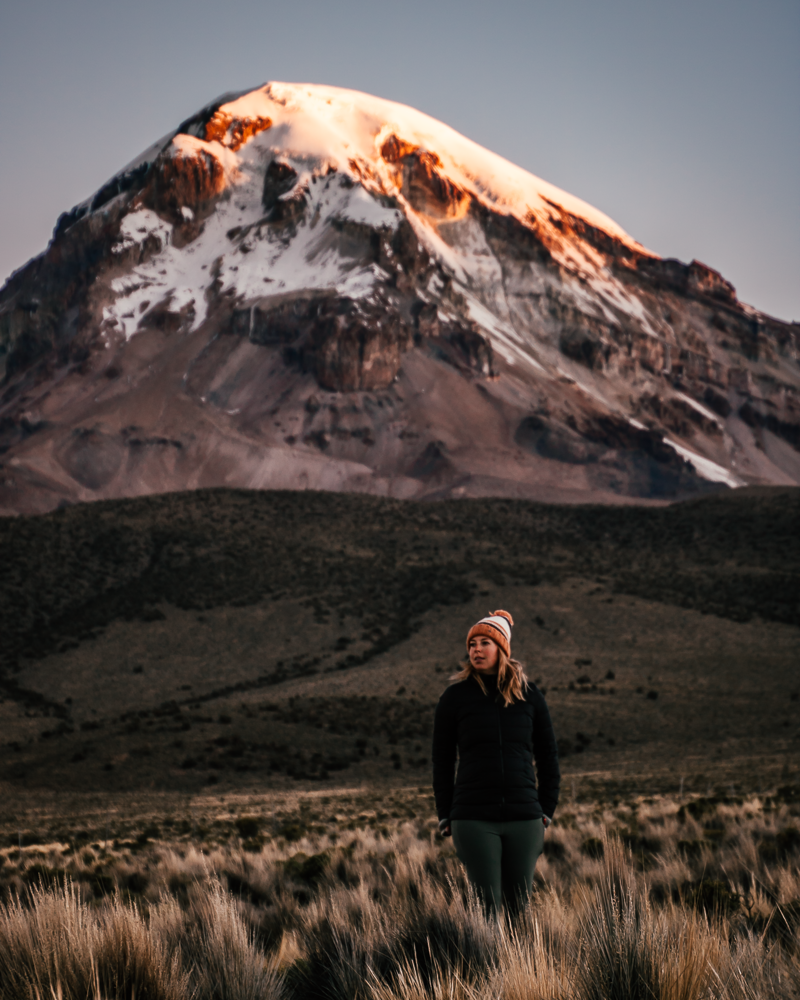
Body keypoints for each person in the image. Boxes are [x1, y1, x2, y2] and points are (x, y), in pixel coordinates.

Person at [432, 610, 560, 916]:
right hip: (473, 817)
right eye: (472, 643)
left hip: (525, 817)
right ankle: (488, 964)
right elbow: (442, 758)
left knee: (521, 909)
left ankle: (523, 966)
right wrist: (445, 813)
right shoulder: (454, 698)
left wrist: (545, 809)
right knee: (486, 908)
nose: (475, 649)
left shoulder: (530, 697)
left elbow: (548, 755)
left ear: (501, 648)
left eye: (484, 642)